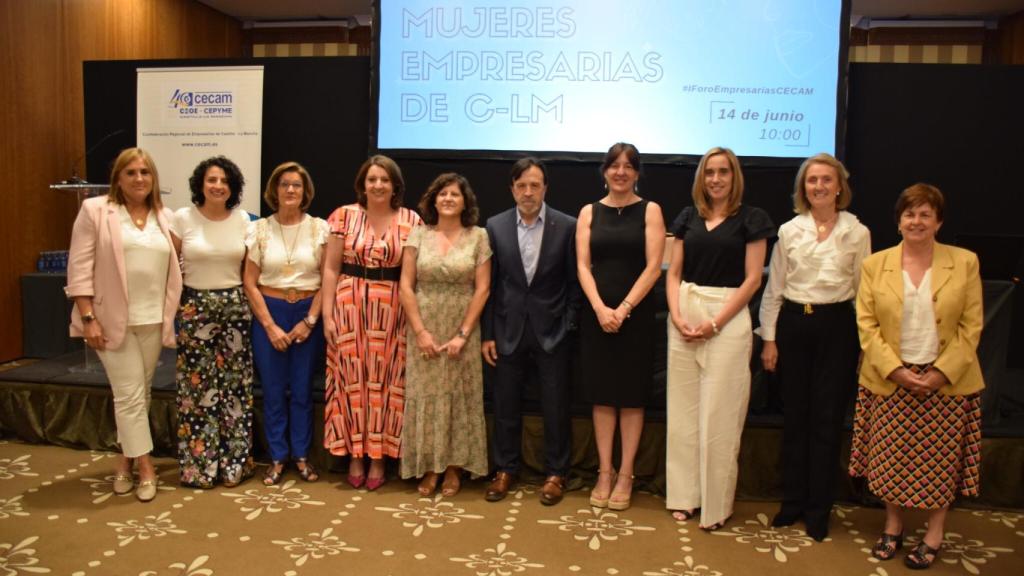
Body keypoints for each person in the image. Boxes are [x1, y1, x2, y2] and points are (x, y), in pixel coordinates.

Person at [850, 183, 983, 569]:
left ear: (938, 221)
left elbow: (972, 326)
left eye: (926, 214)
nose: (917, 221)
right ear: (899, 221)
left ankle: (933, 533)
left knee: (940, 463)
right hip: (892, 376)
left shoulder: (965, 262)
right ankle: (892, 526)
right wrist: (895, 370)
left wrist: (941, 373)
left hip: (947, 380)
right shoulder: (875, 265)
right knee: (890, 460)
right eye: (910, 214)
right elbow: (867, 325)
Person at [758, 153, 871, 540]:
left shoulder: (857, 233)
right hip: (794, 326)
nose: (819, 186)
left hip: (837, 327)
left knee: (826, 421)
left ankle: (819, 509)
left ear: (840, 186)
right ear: (803, 188)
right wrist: (769, 340)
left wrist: (864, 346)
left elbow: (864, 294)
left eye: (826, 180)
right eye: (811, 181)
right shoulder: (790, 230)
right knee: (796, 420)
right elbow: (774, 289)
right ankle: (792, 504)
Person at [664, 147, 774, 530]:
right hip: (685, 313)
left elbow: (753, 280)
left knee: (720, 415)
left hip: (728, 317)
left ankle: (716, 506)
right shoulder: (687, 217)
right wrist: (677, 316)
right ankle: (684, 496)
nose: (715, 179)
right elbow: (673, 272)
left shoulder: (752, 219)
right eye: (709, 172)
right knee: (683, 414)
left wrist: (714, 323)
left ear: (734, 176)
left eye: (723, 172)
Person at [66, 148, 183, 502]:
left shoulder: (166, 216)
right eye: (131, 172)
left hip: (152, 319)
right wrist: (88, 317)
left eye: (145, 172)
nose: (139, 179)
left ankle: (123, 460)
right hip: (108, 320)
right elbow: (79, 267)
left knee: (139, 394)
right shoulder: (97, 211)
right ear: (118, 177)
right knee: (129, 394)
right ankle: (145, 466)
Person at [481, 157, 581, 506]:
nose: (528, 192)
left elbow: (574, 283)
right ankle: (505, 469)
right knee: (505, 405)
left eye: (534, 185)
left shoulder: (567, 226)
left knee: (556, 406)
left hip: (552, 332)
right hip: (507, 330)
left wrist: (567, 326)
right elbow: (489, 286)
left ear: (545, 188)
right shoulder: (494, 226)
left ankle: (556, 473)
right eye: (521, 185)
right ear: (512, 189)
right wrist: (488, 334)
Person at [322, 155, 422, 491]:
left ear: (395, 185)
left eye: (384, 179)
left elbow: (412, 277)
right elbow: (331, 269)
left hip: (392, 311)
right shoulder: (343, 216)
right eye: (371, 179)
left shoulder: (411, 220)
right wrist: (326, 315)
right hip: (349, 307)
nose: (378, 185)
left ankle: (378, 457)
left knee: (386, 382)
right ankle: (354, 454)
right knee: (352, 381)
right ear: (362, 184)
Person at [576, 143, 665, 511]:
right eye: (614, 165)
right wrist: (600, 309)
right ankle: (605, 472)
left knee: (630, 396)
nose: (621, 172)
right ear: (605, 171)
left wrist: (624, 308)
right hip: (597, 315)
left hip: (636, 315)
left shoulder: (652, 210)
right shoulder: (588, 212)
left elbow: (653, 266)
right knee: (602, 395)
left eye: (628, 166)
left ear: (638, 172)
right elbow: (583, 265)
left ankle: (626, 473)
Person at [399, 172, 491, 497]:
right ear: (433, 199)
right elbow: (406, 287)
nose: (448, 199)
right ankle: (429, 466)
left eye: (455, 194)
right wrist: (421, 332)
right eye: (442, 194)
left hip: (462, 330)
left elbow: (483, 289)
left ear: (465, 201)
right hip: (423, 330)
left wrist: (463, 335)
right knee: (426, 396)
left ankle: (453, 468)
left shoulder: (478, 236)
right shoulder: (417, 235)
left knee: (459, 397)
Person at [171, 156, 255, 488]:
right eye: (211, 180)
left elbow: (249, 271)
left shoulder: (244, 221)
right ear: (200, 184)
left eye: (224, 181)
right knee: (197, 389)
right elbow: (170, 269)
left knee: (235, 388)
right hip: (194, 306)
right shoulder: (182, 219)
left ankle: (235, 463)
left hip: (234, 306)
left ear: (232, 188)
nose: (218, 186)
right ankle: (199, 467)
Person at [243, 162, 328, 485]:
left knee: (303, 390)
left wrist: (310, 321)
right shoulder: (259, 229)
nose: (290, 190)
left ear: (305, 191)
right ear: (274, 191)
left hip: (307, 313)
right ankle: (278, 457)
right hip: (271, 312)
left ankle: (302, 456)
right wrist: (269, 326)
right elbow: (249, 283)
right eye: (284, 185)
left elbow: (326, 279)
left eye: (296, 185)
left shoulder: (320, 228)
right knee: (275, 390)